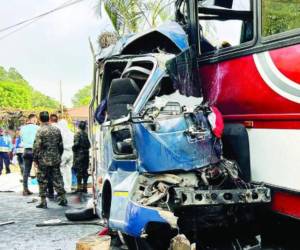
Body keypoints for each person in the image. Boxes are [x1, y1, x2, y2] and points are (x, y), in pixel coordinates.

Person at [33, 111, 67, 208]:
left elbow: (36, 146)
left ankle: (43, 201)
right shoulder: (56, 130)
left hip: (43, 159)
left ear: (40, 119)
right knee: (57, 178)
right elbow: (61, 145)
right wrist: (58, 155)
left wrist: (35, 159)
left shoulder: (40, 131)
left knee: (42, 179)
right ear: (48, 118)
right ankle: (63, 198)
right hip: (55, 158)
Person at [20, 114, 39, 196]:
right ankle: (42, 191)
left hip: (26, 151)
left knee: (26, 171)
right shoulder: (38, 128)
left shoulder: (22, 128)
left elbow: (22, 139)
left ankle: (25, 189)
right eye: (35, 120)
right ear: (34, 120)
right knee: (39, 170)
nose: (36, 121)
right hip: (35, 151)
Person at [72, 121, 90, 193]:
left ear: (78, 126)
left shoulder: (77, 134)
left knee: (79, 171)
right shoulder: (85, 134)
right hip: (86, 154)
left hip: (79, 155)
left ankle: (79, 187)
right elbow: (89, 145)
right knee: (85, 171)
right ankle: (85, 187)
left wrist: (73, 148)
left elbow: (76, 144)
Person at [56, 119, 74, 193]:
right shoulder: (71, 133)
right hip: (71, 153)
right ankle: (68, 187)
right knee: (68, 170)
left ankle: (64, 187)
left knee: (62, 170)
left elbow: (58, 144)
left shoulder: (60, 134)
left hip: (63, 153)